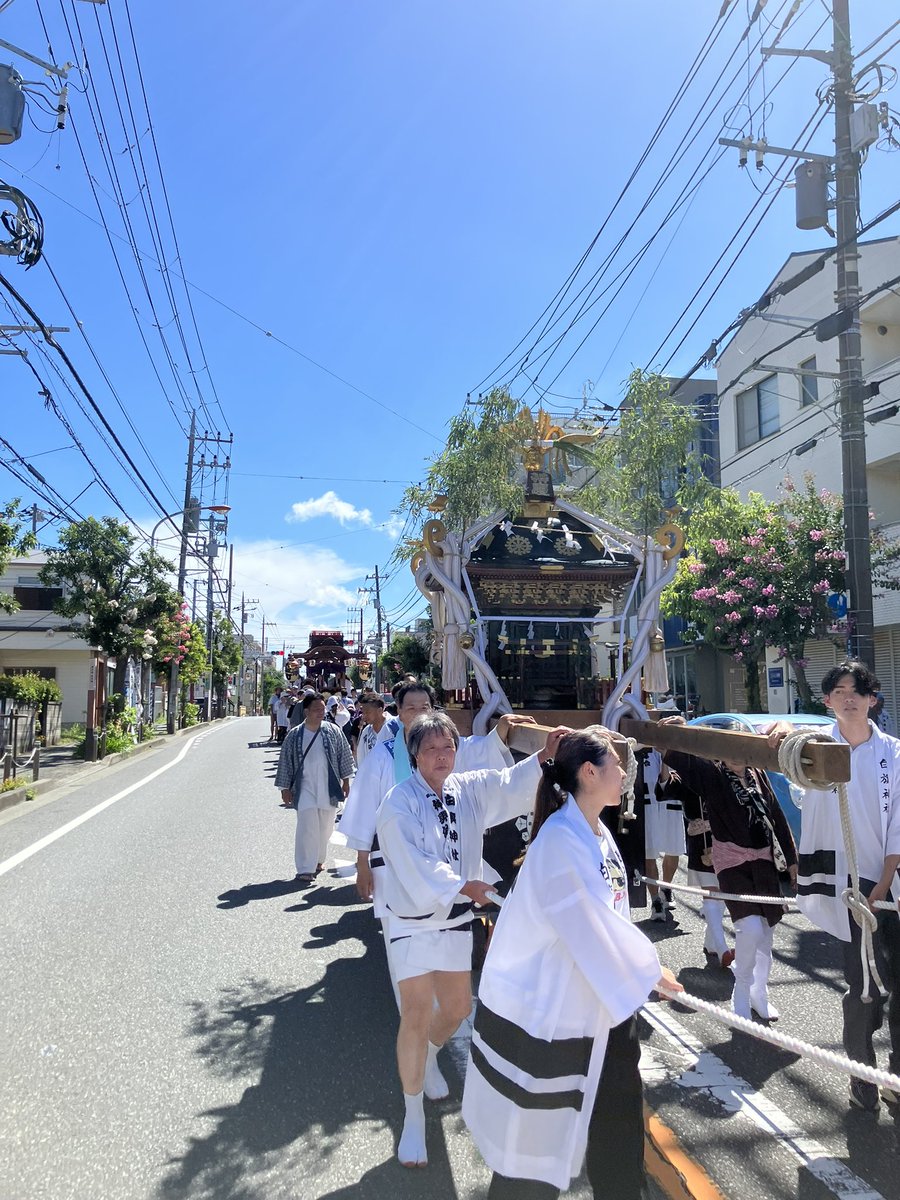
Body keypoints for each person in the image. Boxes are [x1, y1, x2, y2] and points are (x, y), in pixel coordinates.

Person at [461, 727, 682, 1198]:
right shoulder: (561, 840)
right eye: (617, 765)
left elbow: (608, 917)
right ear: (588, 773)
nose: (624, 773)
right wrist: (646, 970)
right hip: (556, 1015)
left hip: (601, 1005)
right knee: (535, 1145)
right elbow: (585, 922)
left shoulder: (596, 831)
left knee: (617, 1125)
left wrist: (636, 971)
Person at [376, 712, 568, 1169]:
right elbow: (412, 861)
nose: (442, 757)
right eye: (431, 750)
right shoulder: (397, 803)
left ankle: (431, 1058)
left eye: (448, 748)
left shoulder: (468, 787)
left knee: (460, 1008)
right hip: (410, 919)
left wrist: (544, 757)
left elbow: (508, 784)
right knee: (417, 1014)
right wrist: (464, 885)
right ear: (415, 756)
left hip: (453, 917)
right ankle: (413, 1115)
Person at [769, 660, 900, 1111]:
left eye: (858, 690)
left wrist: (884, 883)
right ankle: (862, 1074)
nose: (849, 697)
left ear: (872, 699)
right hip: (847, 885)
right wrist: (783, 731)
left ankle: (896, 1078)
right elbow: (786, 746)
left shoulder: (894, 754)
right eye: (839, 690)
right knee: (863, 987)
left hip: (889, 885)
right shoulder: (816, 750)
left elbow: (899, 824)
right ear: (826, 701)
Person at [663, 746, 797, 1021]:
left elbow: (776, 814)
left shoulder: (758, 774)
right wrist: (675, 730)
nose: (736, 755)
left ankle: (760, 993)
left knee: (766, 936)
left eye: (742, 749)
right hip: (733, 863)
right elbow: (679, 755)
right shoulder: (713, 775)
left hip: (764, 863)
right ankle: (742, 990)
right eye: (729, 748)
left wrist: (793, 860)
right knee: (749, 928)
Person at [274, 692, 356, 883]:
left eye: (323, 708)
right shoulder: (295, 735)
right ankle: (305, 867)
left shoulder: (333, 731)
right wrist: (285, 788)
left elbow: (344, 755)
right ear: (306, 712)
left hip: (328, 786)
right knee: (307, 826)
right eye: (317, 709)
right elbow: (285, 762)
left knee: (326, 827)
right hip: (305, 788)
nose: (321, 712)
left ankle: (318, 859)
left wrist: (346, 780)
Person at [641, 747, 686, 922]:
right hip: (647, 802)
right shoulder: (639, 745)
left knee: (673, 848)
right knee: (649, 851)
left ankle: (666, 886)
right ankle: (655, 900)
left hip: (670, 801)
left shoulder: (671, 743)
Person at [356, 692, 387, 766]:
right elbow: (361, 758)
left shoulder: (393, 728)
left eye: (367, 712)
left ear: (380, 710)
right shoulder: (366, 732)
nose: (364, 716)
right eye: (363, 713)